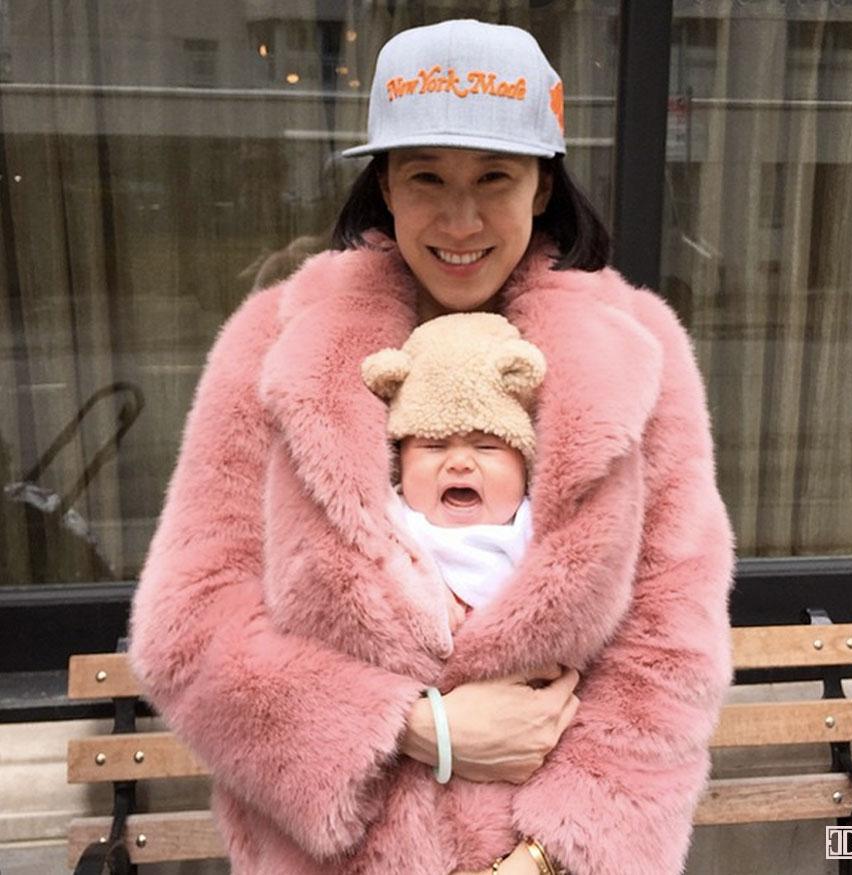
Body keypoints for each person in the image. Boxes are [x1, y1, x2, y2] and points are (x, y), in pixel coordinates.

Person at [129, 18, 735, 875]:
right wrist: (417, 726)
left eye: (494, 176)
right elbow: (189, 627)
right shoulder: (275, 343)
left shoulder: (636, 352)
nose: (460, 218)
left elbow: (671, 637)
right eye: (425, 176)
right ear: (383, 183)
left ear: (541, 184)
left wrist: (551, 855)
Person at [363, 311, 545, 635]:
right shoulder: (393, 523)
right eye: (434, 446)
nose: (459, 463)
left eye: (486, 447)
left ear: (524, 464)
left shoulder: (535, 528)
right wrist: (425, 599)